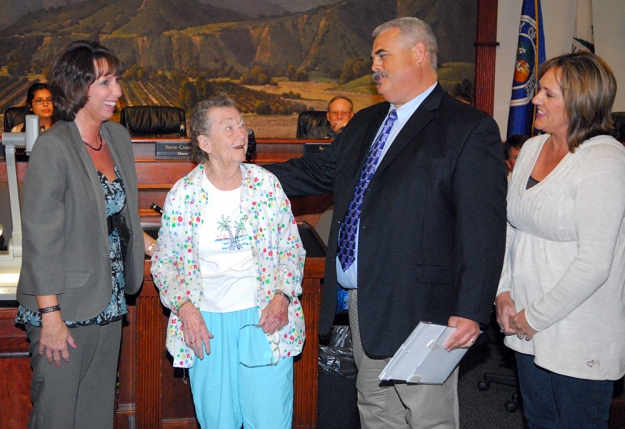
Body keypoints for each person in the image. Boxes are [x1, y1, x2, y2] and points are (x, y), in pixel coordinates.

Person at [266, 17, 506, 428]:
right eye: (373, 57)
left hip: (423, 308)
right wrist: (244, 172)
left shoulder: (467, 128)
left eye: (382, 55)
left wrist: (472, 310)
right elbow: (319, 171)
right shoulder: (366, 122)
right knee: (376, 409)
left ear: (418, 53)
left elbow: (483, 230)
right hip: (364, 301)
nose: (374, 66)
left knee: (427, 416)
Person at [150, 94, 306, 429]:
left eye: (242, 125)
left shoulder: (267, 186)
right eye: (229, 127)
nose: (241, 134)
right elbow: (164, 263)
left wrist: (282, 296)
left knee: (270, 421)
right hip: (206, 326)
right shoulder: (184, 195)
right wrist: (185, 308)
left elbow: (291, 249)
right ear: (204, 142)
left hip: (265, 319)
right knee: (218, 422)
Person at [495, 52, 625, 428]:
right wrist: (503, 291)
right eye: (539, 89)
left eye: (548, 94)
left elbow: (594, 264)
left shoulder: (604, 160)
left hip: (577, 331)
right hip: (524, 322)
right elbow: (510, 226)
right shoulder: (534, 149)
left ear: (581, 103)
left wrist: (533, 318)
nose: (536, 99)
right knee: (540, 421)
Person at [14, 40, 146, 428]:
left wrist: (156, 244)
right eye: (105, 83)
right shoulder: (53, 148)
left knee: (95, 416)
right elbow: (41, 238)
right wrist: (50, 316)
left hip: (109, 302)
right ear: (77, 87)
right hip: (63, 309)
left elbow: (117, 217)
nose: (117, 92)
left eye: (116, 81)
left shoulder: (117, 138)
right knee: (57, 417)